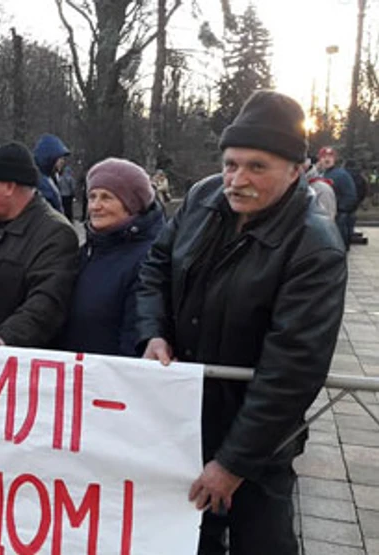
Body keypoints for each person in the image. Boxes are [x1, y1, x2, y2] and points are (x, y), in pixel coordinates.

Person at [136, 91, 347, 554]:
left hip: (258, 443)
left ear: (296, 170)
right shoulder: (202, 197)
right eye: (231, 164)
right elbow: (156, 266)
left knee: (263, 541)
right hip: (184, 421)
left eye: (257, 167)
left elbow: (292, 370)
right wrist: (152, 333)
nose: (237, 180)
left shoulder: (315, 247)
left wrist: (232, 464)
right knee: (185, 541)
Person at [0, 142, 79, 348]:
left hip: (15, 363)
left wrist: (4, 336)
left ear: (10, 186)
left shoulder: (55, 234)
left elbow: (47, 303)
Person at [58, 158, 164, 356]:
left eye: (106, 198)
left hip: (108, 379)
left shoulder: (149, 259)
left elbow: (136, 333)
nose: (95, 206)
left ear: (131, 205)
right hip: (76, 375)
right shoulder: (87, 251)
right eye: (92, 197)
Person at [318, 146, 358, 250]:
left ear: (334, 159)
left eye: (330, 156)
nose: (327, 159)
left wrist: (337, 210)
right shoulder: (319, 175)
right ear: (320, 159)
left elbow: (350, 198)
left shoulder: (342, 175)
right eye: (324, 156)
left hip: (338, 221)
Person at [32, 133, 67, 213]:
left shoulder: (50, 179)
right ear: (49, 158)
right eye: (60, 158)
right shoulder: (41, 183)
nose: (62, 161)